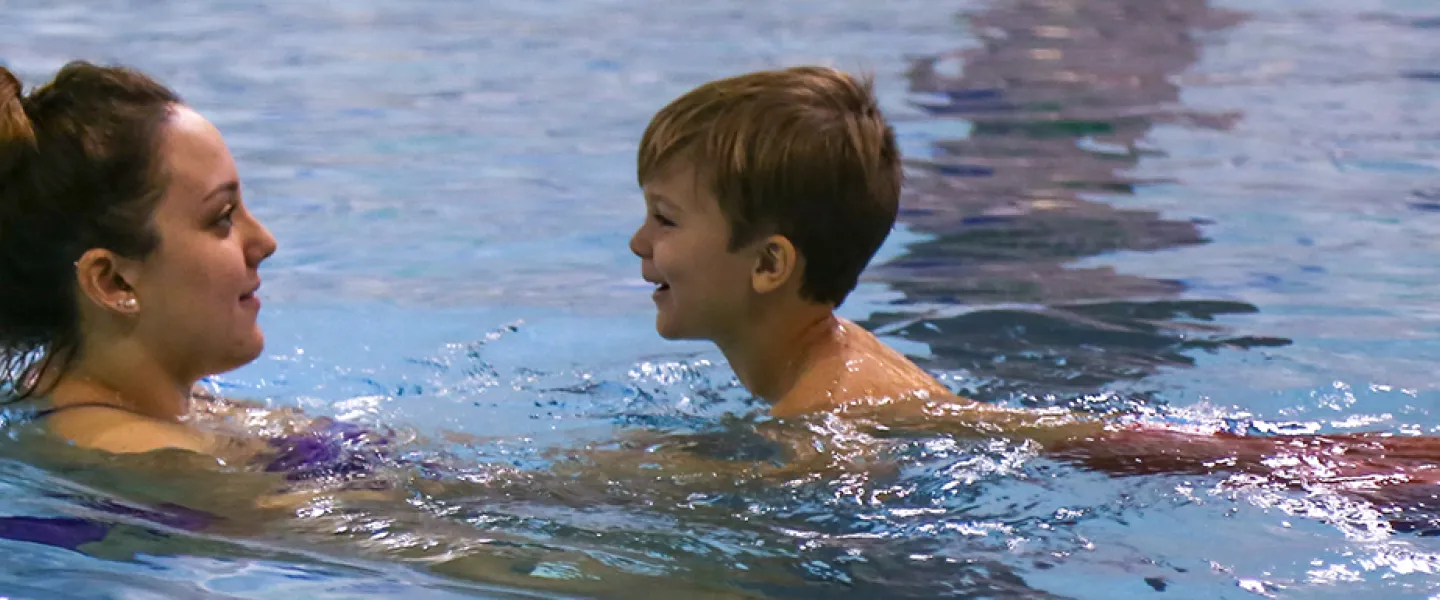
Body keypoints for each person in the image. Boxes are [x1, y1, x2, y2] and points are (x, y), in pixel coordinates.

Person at [623, 66, 1440, 490]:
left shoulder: (827, 406)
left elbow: (816, 498)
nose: (638, 242)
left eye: (665, 218)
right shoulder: (831, 368)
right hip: (1126, 453)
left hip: (1144, 465)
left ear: (770, 264)